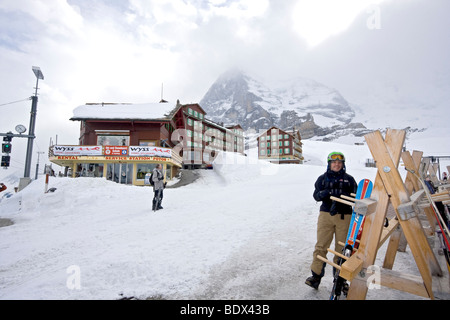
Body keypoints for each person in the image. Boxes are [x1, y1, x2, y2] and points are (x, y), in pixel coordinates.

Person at [305, 151, 357, 290]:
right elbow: (316, 195)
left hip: (344, 216)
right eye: (334, 162)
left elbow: (357, 197)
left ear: (343, 164)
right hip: (326, 215)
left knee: (342, 249)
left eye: (339, 162)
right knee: (321, 246)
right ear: (329, 164)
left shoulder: (350, 180)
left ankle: (341, 280)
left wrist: (345, 196)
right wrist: (322, 194)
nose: (336, 164)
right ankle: (315, 277)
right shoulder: (322, 179)